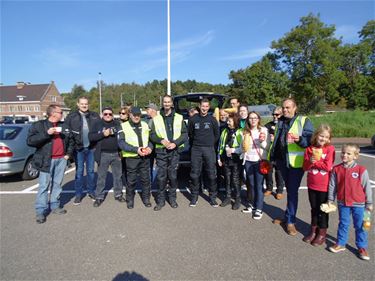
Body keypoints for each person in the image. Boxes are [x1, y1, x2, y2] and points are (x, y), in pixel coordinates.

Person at [270, 98, 314, 235]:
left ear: (295, 108)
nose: (285, 110)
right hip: (282, 162)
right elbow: (277, 140)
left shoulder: (303, 120)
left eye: (288, 107)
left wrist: (299, 139)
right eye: (283, 107)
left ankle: (291, 221)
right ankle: (287, 216)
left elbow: (310, 140)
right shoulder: (281, 120)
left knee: (293, 192)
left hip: (295, 163)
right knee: (289, 190)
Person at [27, 105, 73, 224]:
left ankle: (55, 205)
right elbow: (30, 141)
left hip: (61, 159)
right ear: (53, 113)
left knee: (57, 184)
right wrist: (47, 134)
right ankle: (40, 211)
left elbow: (71, 140)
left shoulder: (63, 126)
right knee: (44, 186)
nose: (62, 114)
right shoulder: (39, 125)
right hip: (46, 160)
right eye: (60, 112)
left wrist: (68, 154)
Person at [327, 144, 373, 261]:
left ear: (355, 156)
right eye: (343, 152)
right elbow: (333, 186)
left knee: (361, 226)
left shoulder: (361, 170)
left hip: (360, 205)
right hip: (343, 203)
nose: (344, 155)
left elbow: (367, 187)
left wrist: (369, 203)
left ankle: (362, 247)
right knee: (343, 224)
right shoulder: (336, 169)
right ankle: (341, 244)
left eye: (348, 153)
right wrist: (330, 199)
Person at [150, 95, 188, 211]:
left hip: (174, 151)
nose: (166, 104)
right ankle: (160, 201)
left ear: (172, 103)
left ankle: (172, 199)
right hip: (161, 151)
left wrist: (175, 143)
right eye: (164, 102)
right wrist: (161, 140)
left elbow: (184, 134)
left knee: (172, 176)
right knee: (161, 177)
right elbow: (152, 135)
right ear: (162, 103)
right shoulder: (156, 119)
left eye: (168, 102)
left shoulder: (179, 117)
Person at [302, 124, 335, 245]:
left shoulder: (330, 149)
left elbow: (327, 166)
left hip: (324, 185)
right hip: (312, 184)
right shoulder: (309, 149)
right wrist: (309, 162)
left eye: (326, 137)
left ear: (329, 139)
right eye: (321, 136)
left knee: (323, 210)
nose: (323, 139)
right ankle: (313, 231)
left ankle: (322, 234)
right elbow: (304, 167)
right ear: (316, 136)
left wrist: (316, 162)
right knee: (314, 209)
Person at [65, 96, 101, 205]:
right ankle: (78, 194)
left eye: (86, 104)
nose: (84, 105)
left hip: (91, 148)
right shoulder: (72, 117)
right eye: (82, 104)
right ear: (78, 104)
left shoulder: (94, 116)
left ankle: (91, 191)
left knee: (90, 171)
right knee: (79, 172)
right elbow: (67, 133)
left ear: (88, 104)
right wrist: (69, 150)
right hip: (78, 149)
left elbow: (100, 130)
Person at [89, 107, 125, 207]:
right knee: (101, 177)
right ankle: (99, 197)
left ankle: (118, 194)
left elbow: (123, 137)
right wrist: (102, 134)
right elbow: (91, 137)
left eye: (109, 114)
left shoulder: (117, 124)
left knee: (118, 176)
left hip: (116, 154)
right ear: (102, 115)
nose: (108, 116)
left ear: (112, 115)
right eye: (105, 114)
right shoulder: (97, 124)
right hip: (103, 154)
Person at [118, 107, 153, 209]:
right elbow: (121, 143)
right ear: (130, 115)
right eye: (134, 115)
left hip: (145, 157)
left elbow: (151, 140)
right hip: (131, 158)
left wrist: (150, 148)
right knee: (131, 180)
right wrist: (136, 149)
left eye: (138, 115)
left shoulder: (145, 125)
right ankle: (130, 200)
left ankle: (146, 199)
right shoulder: (123, 126)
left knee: (146, 180)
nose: (137, 117)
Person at [188, 98, 220, 207]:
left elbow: (216, 135)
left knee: (211, 174)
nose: (205, 108)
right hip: (196, 149)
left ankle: (212, 198)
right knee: (194, 174)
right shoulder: (193, 119)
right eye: (203, 106)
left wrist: (209, 143)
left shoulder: (212, 119)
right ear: (199, 106)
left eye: (207, 106)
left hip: (209, 149)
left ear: (209, 107)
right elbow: (190, 134)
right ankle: (194, 198)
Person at [241, 111, 270, 220]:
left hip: (259, 161)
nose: (253, 120)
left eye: (255, 118)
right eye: (251, 118)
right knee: (251, 185)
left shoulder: (263, 130)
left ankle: (259, 208)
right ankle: (252, 205)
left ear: (258, 119)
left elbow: (267, 147)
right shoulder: (246, 131)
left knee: (259, 185)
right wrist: (234, 151)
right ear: (248, 120)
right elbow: (242, 147)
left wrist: (262, 141)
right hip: (248, 160)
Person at [217, 113, 243, 210]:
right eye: (228, 120)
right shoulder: (224, 131)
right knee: (227, 179)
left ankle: (237, 199)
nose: (227, 122)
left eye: (230, 121)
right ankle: (228, 198)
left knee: (235, 180)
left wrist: (233, 150)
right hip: (226, 159)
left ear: (235, 122)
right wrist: (219, 157)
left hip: (236, 160)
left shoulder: (241, 132)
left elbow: (243, 147)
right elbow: (221, 145)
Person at [264, 106, 285, 199]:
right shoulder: (268, 125)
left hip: (280, 153)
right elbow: (262, 136)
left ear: (282, 114)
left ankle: (279, 191)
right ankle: (269, 188)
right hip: (269, 153)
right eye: (273, 114)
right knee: (268, 172)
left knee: (279, 173)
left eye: (277, 114)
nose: (275, 116)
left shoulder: (284, 125)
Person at [119, 106, 130, 188]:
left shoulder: (130, 124)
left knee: (129, 168)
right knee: (122, 168)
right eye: (120, 113)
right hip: (120, 149)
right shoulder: (118, 124)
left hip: (129, 149)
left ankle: (129, 183)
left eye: (123, 113)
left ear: (127, 115)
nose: (121, 115)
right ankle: (124, 183)